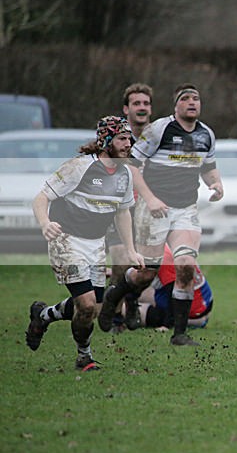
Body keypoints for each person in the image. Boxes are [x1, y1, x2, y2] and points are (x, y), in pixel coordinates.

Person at [98, 83, 224, 347]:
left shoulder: (207, 135)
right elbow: (131, 166)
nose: (192, 102)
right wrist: (150, 198)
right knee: (146, 272)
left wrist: (216, 184)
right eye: (185, 98)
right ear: (175, 105)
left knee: (186, 265)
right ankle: (116, 296)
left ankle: (179, 334)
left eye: (196, 98)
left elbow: (209, 167)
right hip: (153, 208)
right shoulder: (159, 129)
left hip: (186, 209)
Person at [24, 116, 144, 371]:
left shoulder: (125, 174)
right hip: (66, 240)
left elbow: (123, 213)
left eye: (129, 139)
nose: (128, 144)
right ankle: (84, 357)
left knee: (92, 308)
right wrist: (46, 223)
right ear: (106, 141)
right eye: (122, 138)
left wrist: (131, 250)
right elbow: (41, 198)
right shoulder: (79, 167)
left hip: (95, 244)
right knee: (87, 304)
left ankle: (44, 315)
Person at [106, 83, 154, 330]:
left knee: (149, 268)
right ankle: (115, 319)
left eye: (146, 103)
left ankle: (132, 300)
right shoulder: (116, 139)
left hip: (149, 212)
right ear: (126, 109)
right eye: (137, 103)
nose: (142, 108)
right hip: (120, 209)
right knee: (121, 261)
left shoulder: (158, 138)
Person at [119, 244, 214, 331]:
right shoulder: (163, 246)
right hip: (201, 302)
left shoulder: (162, 257)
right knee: (132, 290)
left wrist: (166, 324)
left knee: (123, 308)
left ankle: (116, 313)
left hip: (193, 308)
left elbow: (173, 292)